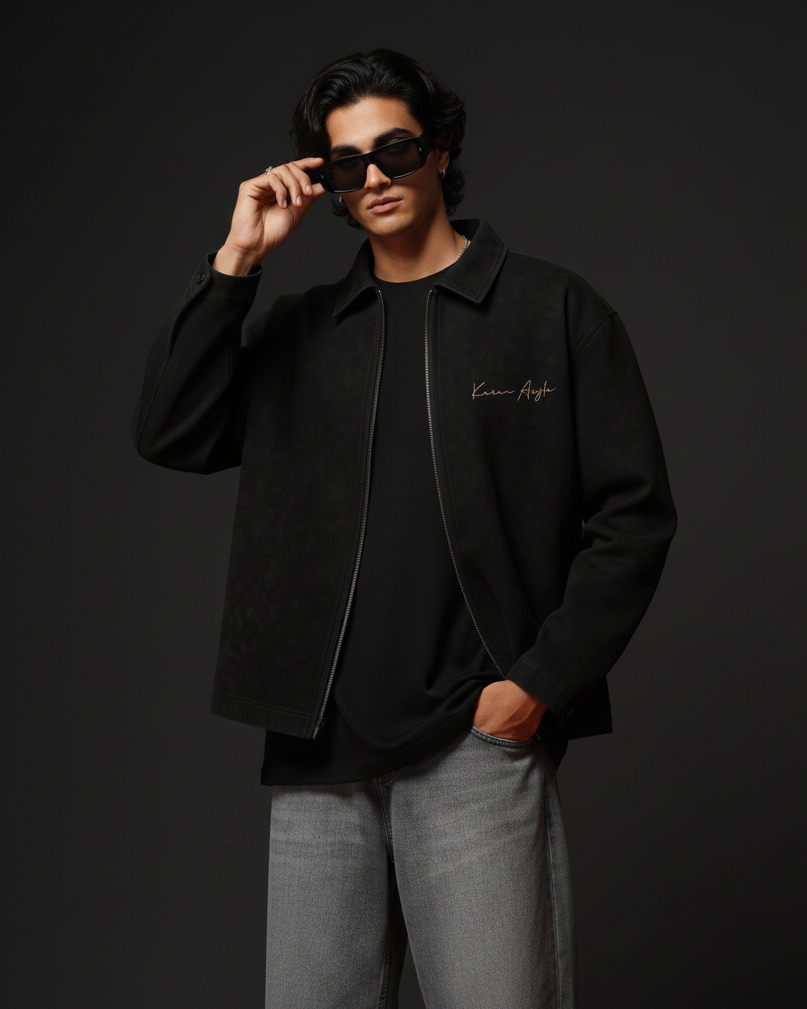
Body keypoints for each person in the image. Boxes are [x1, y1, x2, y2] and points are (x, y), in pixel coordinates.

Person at [133, 48, 676, 1009]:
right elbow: (171, 432)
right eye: (348, 162)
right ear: (330, 184)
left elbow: (633, 515)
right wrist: (237, 263)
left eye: (396, 149)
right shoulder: (300, 329)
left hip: (474, 746)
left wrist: (536, 687)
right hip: (317, 758)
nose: (376, 176)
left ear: (441, 150)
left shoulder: (551, 309)